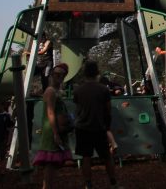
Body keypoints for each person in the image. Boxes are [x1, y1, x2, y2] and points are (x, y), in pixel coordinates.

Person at [72, 60, 120, 189]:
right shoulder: (103, 89)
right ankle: (113, 183)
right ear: (97, 73)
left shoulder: (78, 90)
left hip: (82, 127)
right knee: (106, 156)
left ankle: (88, 184)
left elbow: (77, 108)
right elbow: (108, 109)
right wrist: (106, 124)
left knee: (86, 157)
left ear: (85, 73)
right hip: (98, 126)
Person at [32, 63, 73, 189]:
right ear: (51, 75)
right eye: (56, 74)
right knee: (50, 164)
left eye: (62, 74)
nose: (58, 76)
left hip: (58, 130)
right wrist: (55, 133)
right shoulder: (50, 91)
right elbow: (50, 112)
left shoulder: (57, 91)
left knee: (54, 165)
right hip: (51, 131)